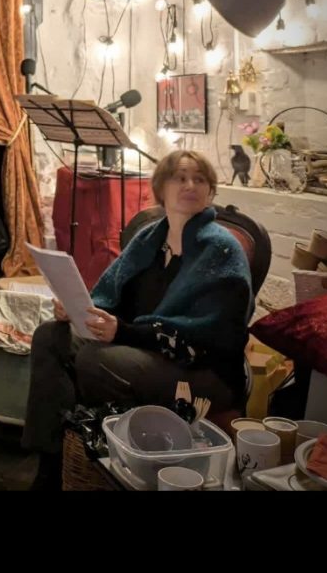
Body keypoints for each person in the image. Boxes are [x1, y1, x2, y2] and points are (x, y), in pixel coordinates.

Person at [22, 149, 253, 489]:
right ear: (161, 188)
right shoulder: (149, 239)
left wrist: (121, 332)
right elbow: (115, 300)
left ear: (210, 191)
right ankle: (52, 461)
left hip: (203, 368)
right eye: (180, 177)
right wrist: (79, 311)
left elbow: (214, 338)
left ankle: (114, 463)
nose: (190, 185)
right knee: (50, 335)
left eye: (199, 179)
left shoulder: (221, 249)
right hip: (143, 347)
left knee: (95, 360)